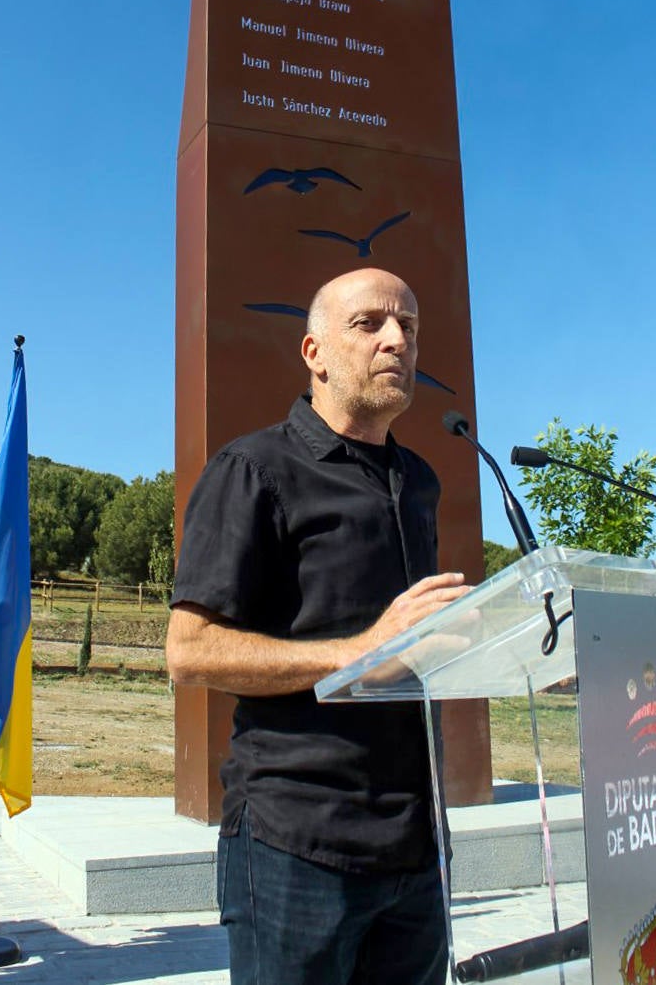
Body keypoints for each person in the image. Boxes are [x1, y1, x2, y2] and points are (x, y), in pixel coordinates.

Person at [166, 267, 471, 985]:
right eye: (370, 324)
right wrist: (362, 652)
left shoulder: (419, 480)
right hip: (297, 840)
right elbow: (189, 652)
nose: (398, 340)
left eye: (411, 328)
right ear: (315, 353)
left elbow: (403, 649)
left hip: (416, 842)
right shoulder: (253, 469)